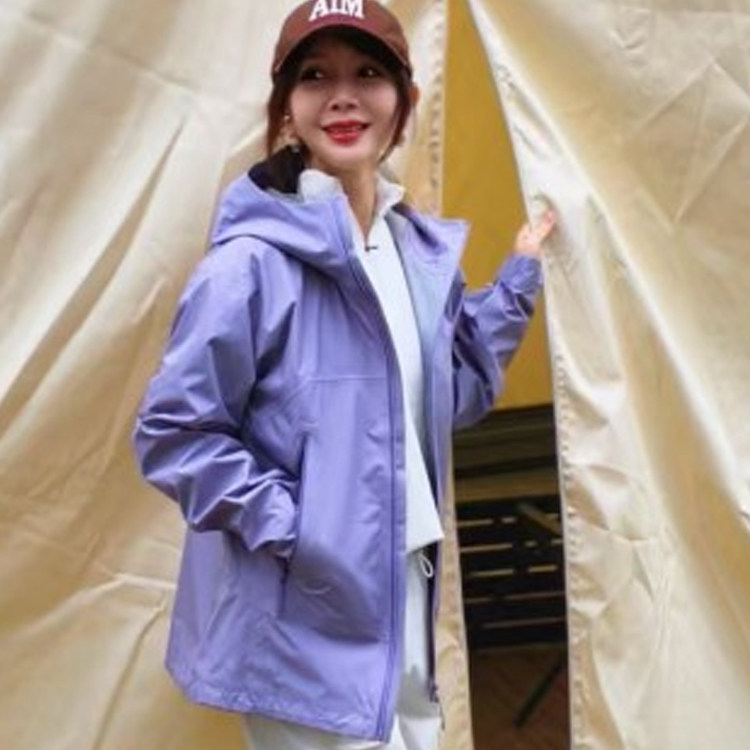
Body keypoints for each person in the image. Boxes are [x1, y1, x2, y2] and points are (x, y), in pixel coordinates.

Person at [132, 1, 556, 748]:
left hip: (404, 584)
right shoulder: (247, 268)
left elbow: (449, 390)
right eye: (315, 76)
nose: (343, 96)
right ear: (285, 110)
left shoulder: (414, 254)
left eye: (367, 73)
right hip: (297, 618)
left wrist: (519, 278)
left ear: (404, 101)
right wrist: (302, 529)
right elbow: (175, 433)